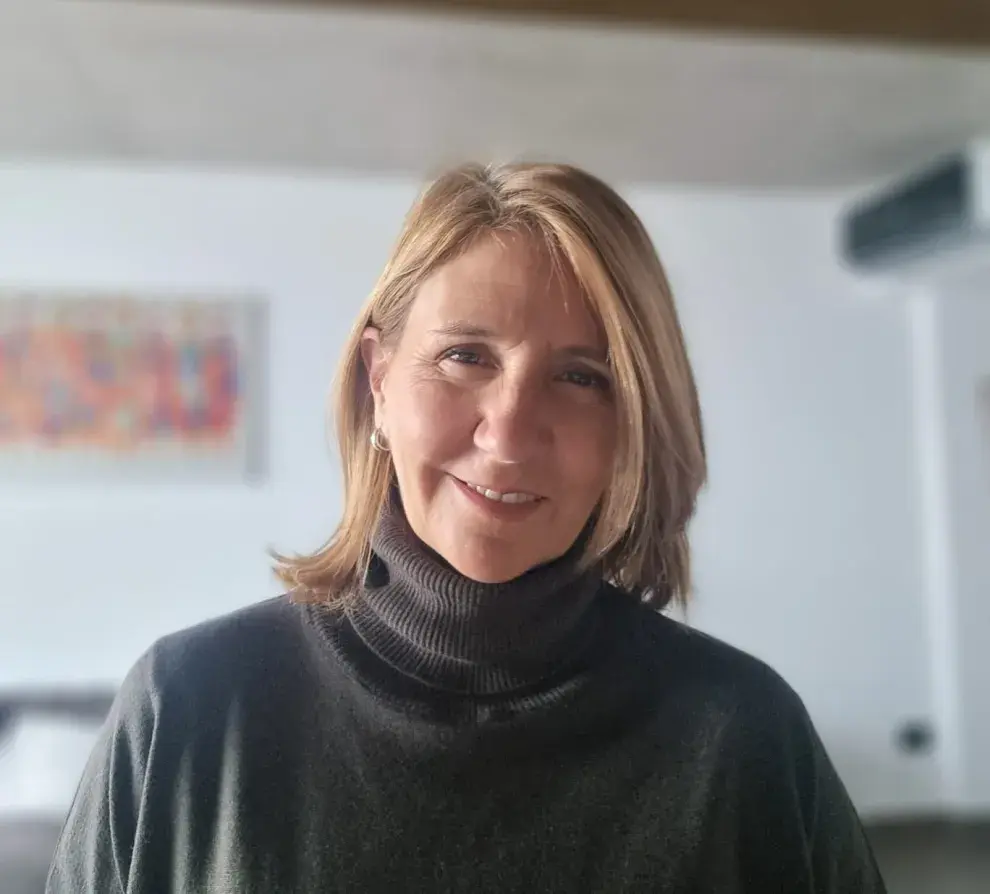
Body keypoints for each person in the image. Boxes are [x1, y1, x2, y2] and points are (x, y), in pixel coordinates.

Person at [47, 162, 887, 893]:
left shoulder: (743, 737)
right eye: (465, 356)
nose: (509, 434)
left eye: (581, 377)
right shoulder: (188, 709)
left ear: (632, 423)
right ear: (379, 382)